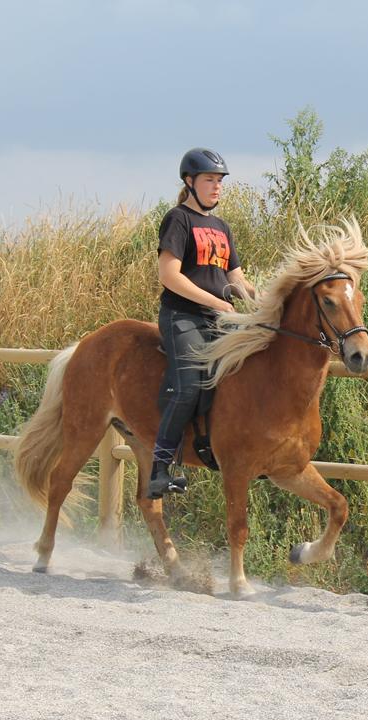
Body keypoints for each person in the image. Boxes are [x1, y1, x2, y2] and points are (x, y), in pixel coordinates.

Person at [148, 147, 256, 499]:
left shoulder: (222, 227)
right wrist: (215, 302)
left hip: (217, 318)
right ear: (190, 182)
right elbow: (169, 276)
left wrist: (264, 301)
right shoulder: (178, 220)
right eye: (210, 180)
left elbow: (236, 279)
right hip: (182, 316)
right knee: (189, 387)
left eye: (220, 181)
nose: (217, 187)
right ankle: (159, 469)